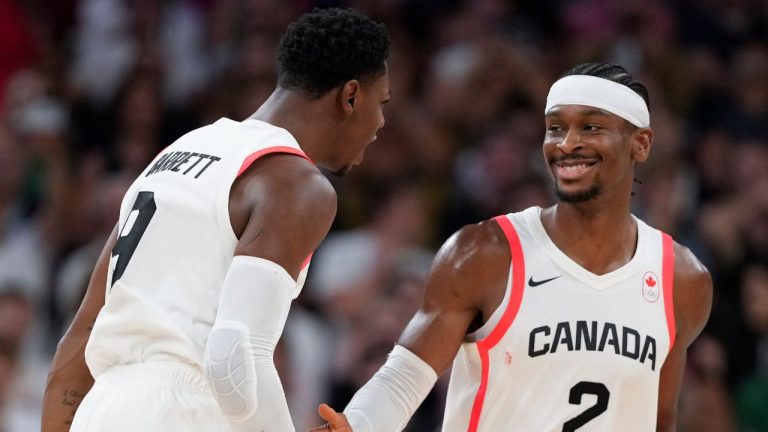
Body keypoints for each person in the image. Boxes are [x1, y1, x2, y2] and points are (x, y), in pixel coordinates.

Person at [41, 8, 390, 432]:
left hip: (102, 407)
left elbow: (80, 338)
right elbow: (235, 356)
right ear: (350, 96)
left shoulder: (173, 156)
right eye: (381, 103)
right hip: (184, 412)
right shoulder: (297, 184)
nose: (380, 126)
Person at [316, 63, 713, 432]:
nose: (567, 144)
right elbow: (404, 377)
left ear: (640, 144)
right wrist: (359, 424)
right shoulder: (484, 252)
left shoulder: (681, 278)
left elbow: (656, 418)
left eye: (591, 127)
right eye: (556, 128)